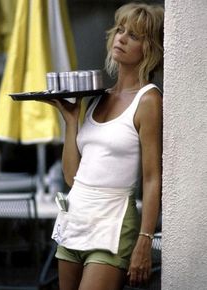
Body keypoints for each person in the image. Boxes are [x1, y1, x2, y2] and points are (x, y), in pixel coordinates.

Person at [48, 2, 164, 290]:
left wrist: (144, 240)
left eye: (133, 36)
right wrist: (72, 121)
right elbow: (71, 177)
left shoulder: (148, 100)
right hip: (75, 217)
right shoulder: (98, 97)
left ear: (149, 48)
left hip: (113, 221)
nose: (121, 38)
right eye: (120, 30)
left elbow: (152, 178)